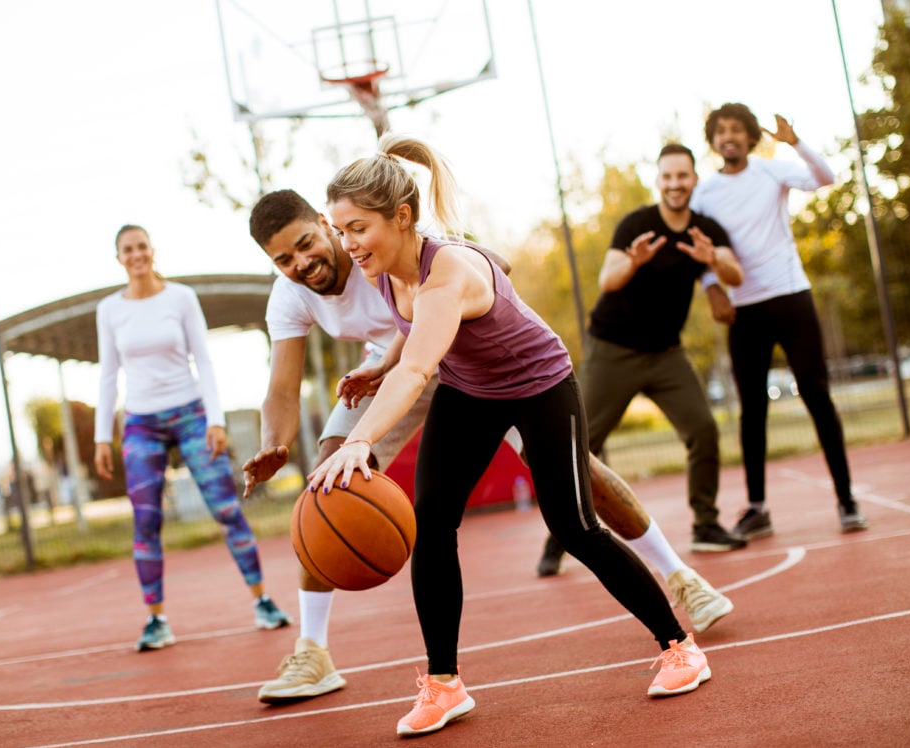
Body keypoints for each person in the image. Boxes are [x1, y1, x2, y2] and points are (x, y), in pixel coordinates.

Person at [245, 189, 732, 706]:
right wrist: (276, 444)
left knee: (575, 496)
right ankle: (322, 653)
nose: (302, 263)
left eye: (306, 244)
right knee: (331, 486)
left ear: (326, 225)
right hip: (398, 372)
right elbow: (284, 386)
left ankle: (679, 578)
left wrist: (467, 270)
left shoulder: (397, 243)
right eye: (283, 260)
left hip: (489, 367)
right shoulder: (309, 287)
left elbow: (479, 273)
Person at [536, 144, 747, 576]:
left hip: (666, 355)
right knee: (580, 445)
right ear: (659, 181)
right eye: (668, 177)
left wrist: (712, 262)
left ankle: (706, 524)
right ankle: (559, 538)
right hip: (613, 350)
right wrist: (633, 263)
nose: (675, 184)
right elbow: (607, 279)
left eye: (683, 177)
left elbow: (734, 273)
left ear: (693, 180)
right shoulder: (637, 224)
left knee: (704, 430)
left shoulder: (705, 230)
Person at [94, 224, 291, 652]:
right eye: (128, 249)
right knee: (146, 521)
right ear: (119, 257)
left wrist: (215, 421)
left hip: (190, 414)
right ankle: (156, 620)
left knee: (226, 509)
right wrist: (100, 437)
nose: (136, 255)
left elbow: (203, 359)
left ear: (152, 250)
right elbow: (108, 373)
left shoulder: (180, 297)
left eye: (142, 246)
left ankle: (264, 603)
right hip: (140, 422)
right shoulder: (109, 310)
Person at [690, 103, 869, 537]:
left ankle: (846, 498)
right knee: (752, 411)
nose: (728, 136)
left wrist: (796, 143)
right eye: (720, 131)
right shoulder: (704, 194)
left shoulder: (772, 171)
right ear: (713, 141)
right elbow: (695, 249)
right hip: (743, 309)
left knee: (817, 395)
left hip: (790, 296)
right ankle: (757, 508)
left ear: (751, 138)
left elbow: (825, 177)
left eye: (737, 130)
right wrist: (712, 288)